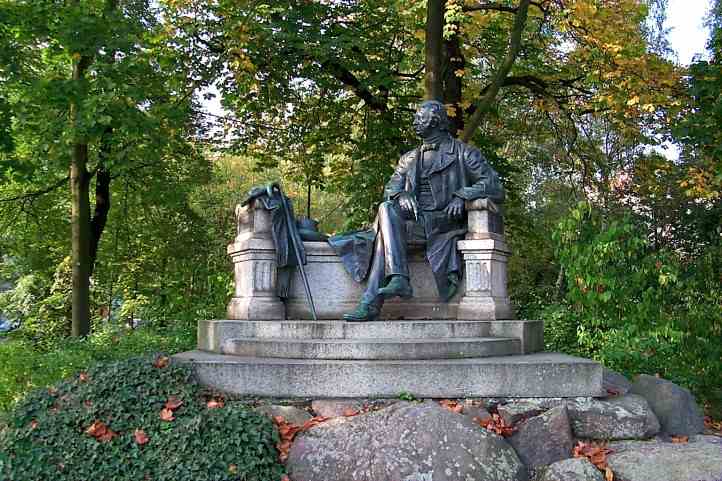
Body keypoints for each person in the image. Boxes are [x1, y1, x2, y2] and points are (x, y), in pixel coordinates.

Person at [339, 99, 505, 322]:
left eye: (420, 118)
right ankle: (398, 278)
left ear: (435, 121)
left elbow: (494, 185)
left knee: (382, 241)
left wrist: (463, 195)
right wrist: (401, 195)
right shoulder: (409, 158)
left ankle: (373, 301)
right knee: (386, 207)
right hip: (416, 223)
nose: (415, 122)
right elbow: (391, 187)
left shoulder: (463, 153)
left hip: (443, 222)